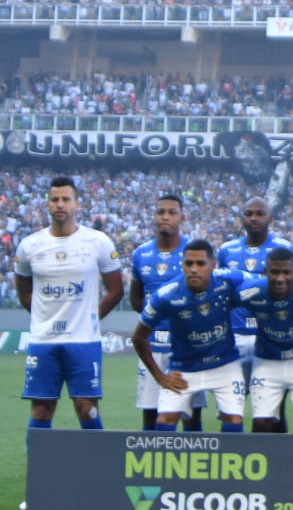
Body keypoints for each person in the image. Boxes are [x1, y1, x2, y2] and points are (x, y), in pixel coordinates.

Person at [17, 176, 124, 440]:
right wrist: (44, 315)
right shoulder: (30, 246)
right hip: (44, 341)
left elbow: (116, 290)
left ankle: (98, 471)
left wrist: (90, 319)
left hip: (83, 341)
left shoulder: (98, 241)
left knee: (86, 407)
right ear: (48, 205)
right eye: (55, 199)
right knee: (41, 407)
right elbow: (24, 291)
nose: (60, 204)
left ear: (77, 204)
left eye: (66, 199)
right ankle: (38, 476)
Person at [131, 239, 250, 433]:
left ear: (212, 265)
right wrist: (160, 377)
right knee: (164, 422)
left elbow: (266, 282)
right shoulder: (166, 295)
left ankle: (224, 462)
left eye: (200, 263)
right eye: (189, 263)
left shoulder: (229, 279)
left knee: (234, 421)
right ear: (182, 265)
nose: (194, 269)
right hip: (184, 368)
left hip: (225, 364)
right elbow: (138, 338)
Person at [217, 197, 293, 432]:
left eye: (259, 213)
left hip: (268, 337)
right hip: (233, 336)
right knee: (230, 408)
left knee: (272, 410)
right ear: (242, 217)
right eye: (248, 213)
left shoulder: (285, 249)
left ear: (270, 218)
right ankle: (230, 458)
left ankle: (277, 462)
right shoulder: (227, 250)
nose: (254, 218)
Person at [129, 194, 204, 432]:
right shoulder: (141, 254)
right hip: (153, 346)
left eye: (172, 212)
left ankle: (193, 468)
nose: (165, 216)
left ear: (182, 217)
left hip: (187, 348)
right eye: (161, 212)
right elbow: (135, 297)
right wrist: (154, 318)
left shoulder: (193, 253)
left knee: (191, 419)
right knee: (151, 417)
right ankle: (151, 468)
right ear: (154, 216)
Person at [236, 248, 293, 433]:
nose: (280, 278)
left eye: (286, 272)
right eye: (275, 272)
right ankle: (267, 461)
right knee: (261, 424)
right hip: (267, 360)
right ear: (265, 272)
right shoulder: (249, 292)